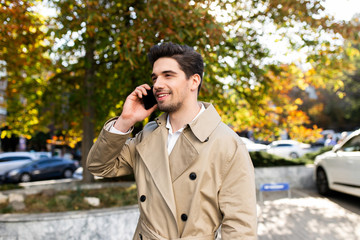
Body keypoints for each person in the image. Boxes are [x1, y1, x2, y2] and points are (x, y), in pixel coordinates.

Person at [87, 42, 257, 239]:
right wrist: (125, 121)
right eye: (155, 77)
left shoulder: (227, 144)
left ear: (194, 81)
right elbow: (99, 167)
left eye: (168, 75)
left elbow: (240, 228)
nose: (157, 84)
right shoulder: (148, 135)